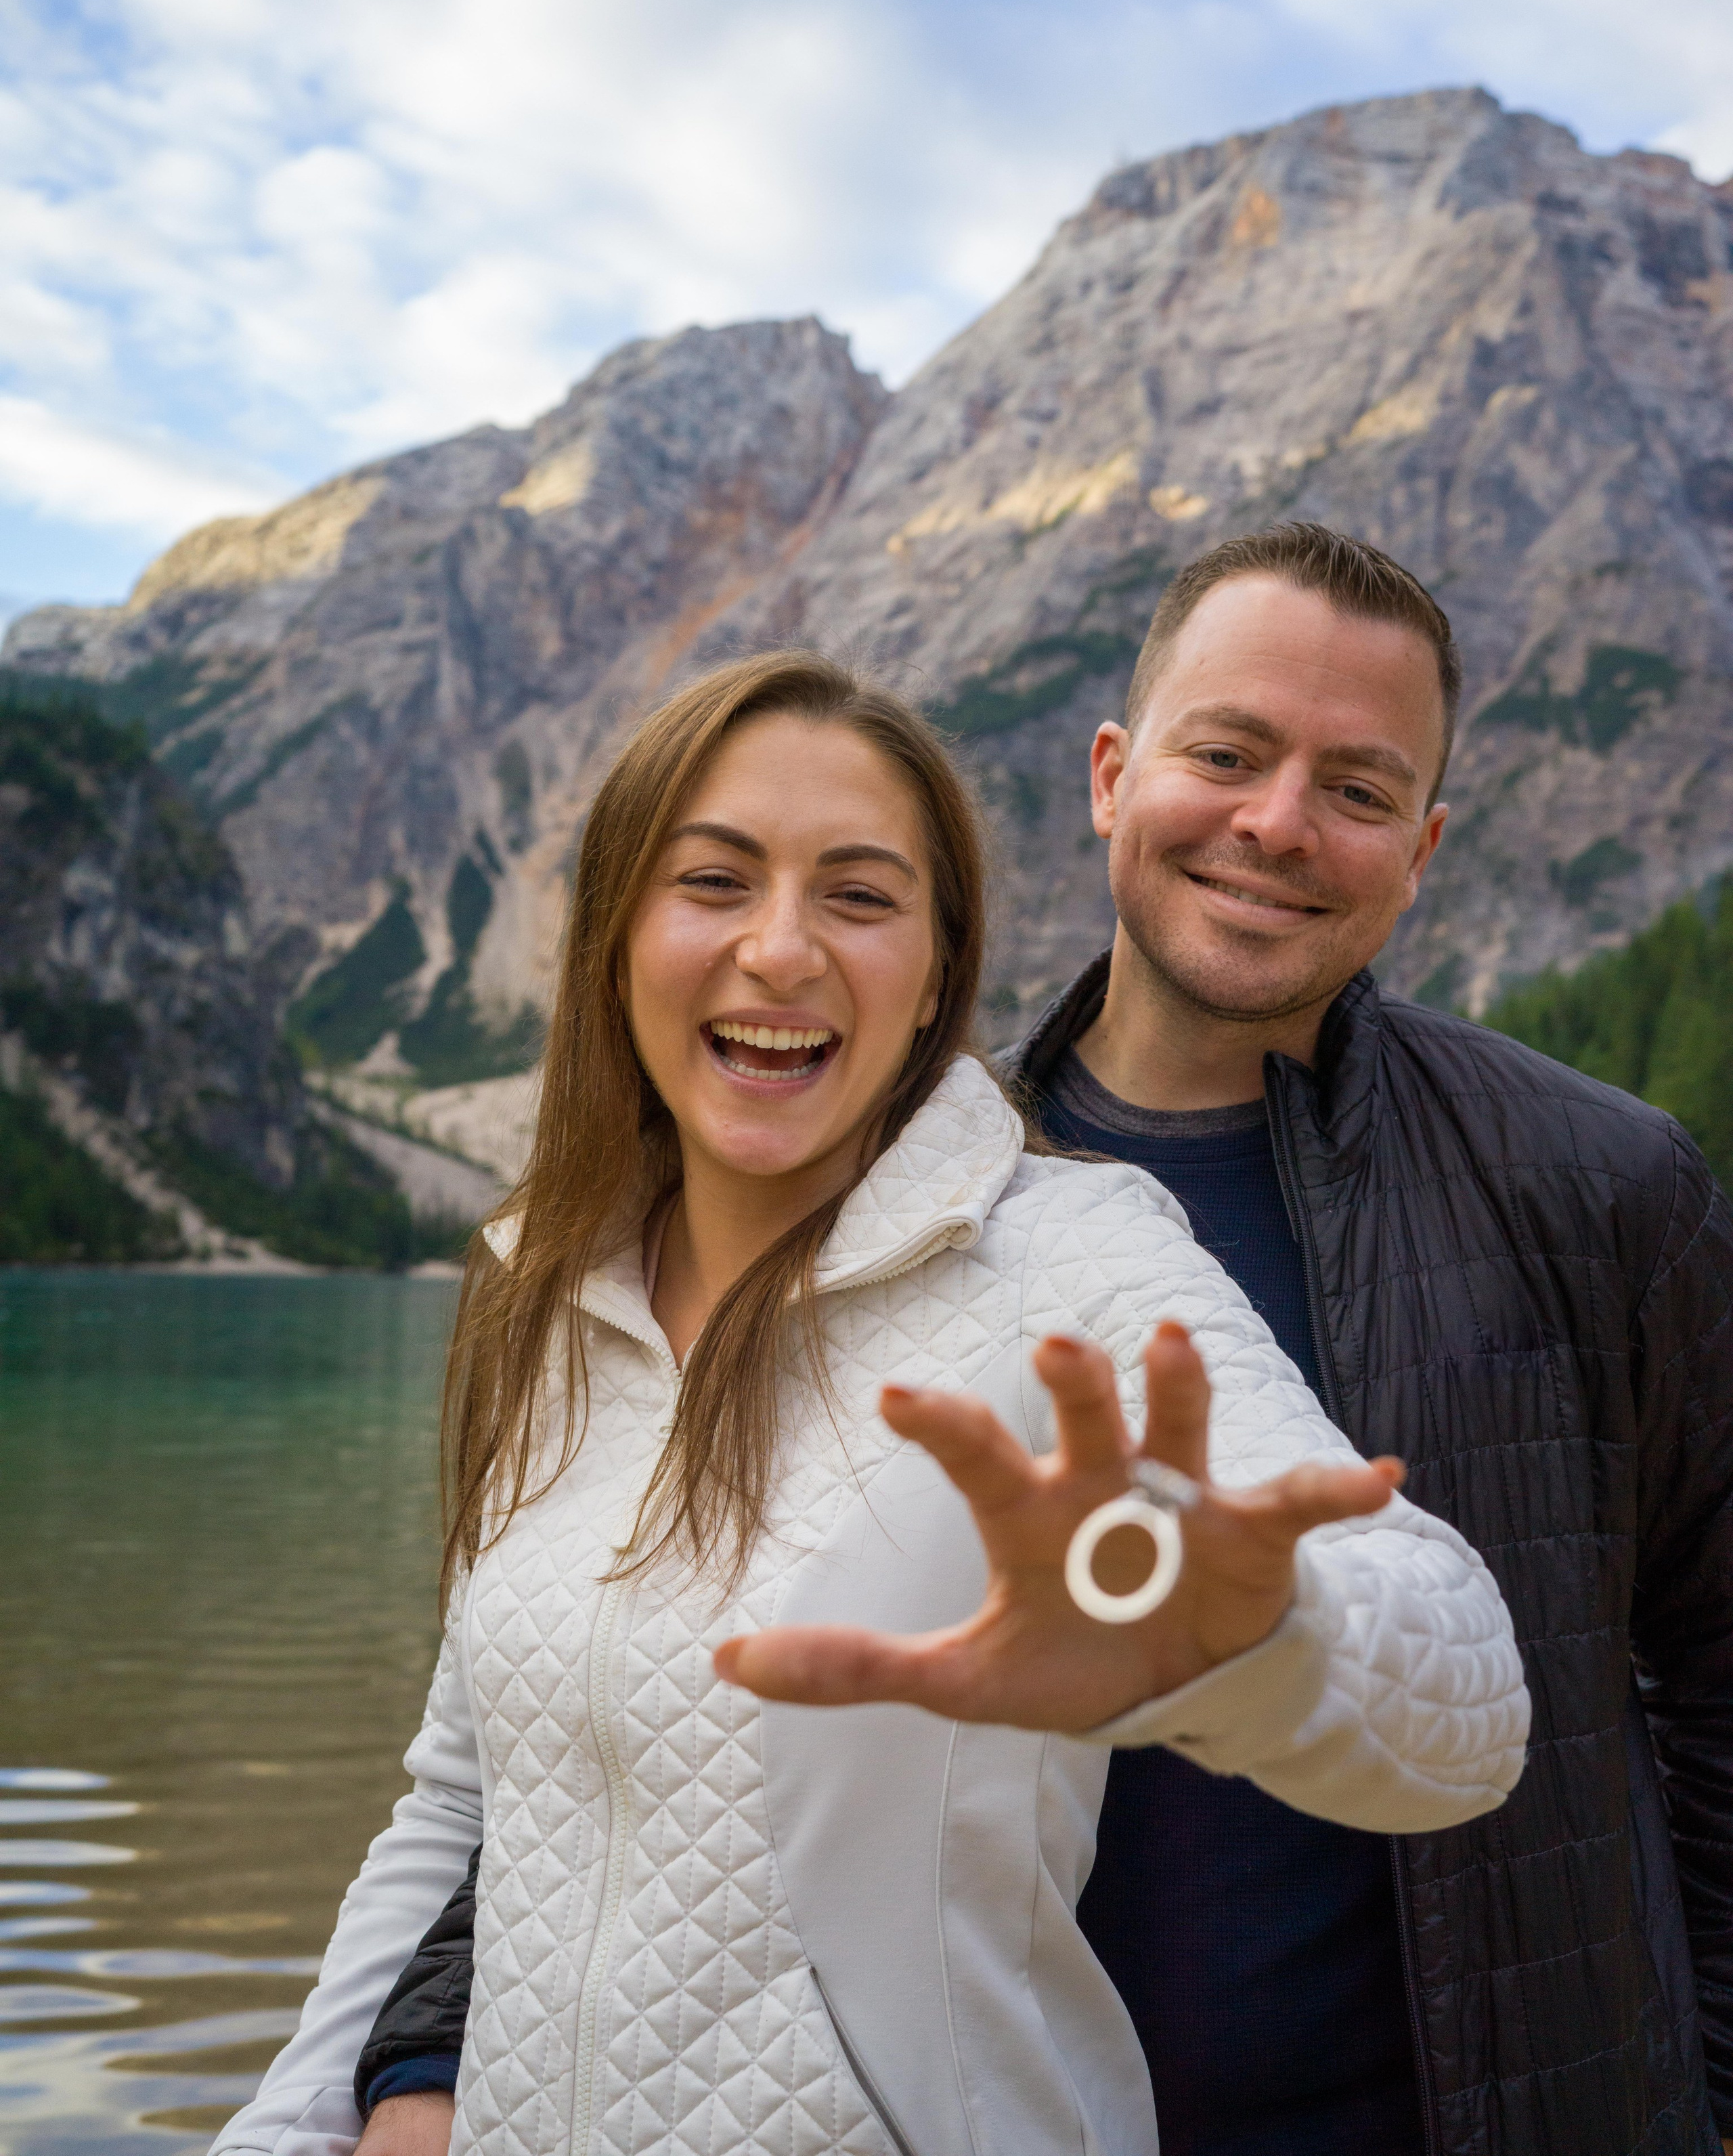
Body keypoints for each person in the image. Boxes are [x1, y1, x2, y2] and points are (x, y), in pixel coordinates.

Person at [343, 523, 1733, 2156]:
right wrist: (419, 2063)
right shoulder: (860, 1191)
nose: (1273, 823)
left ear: (1418, 848)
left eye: (1355, 791)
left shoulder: (1593, 1182)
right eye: (1224, 753)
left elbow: (1702, 1679)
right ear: (1108, 774)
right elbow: (585, 1720)